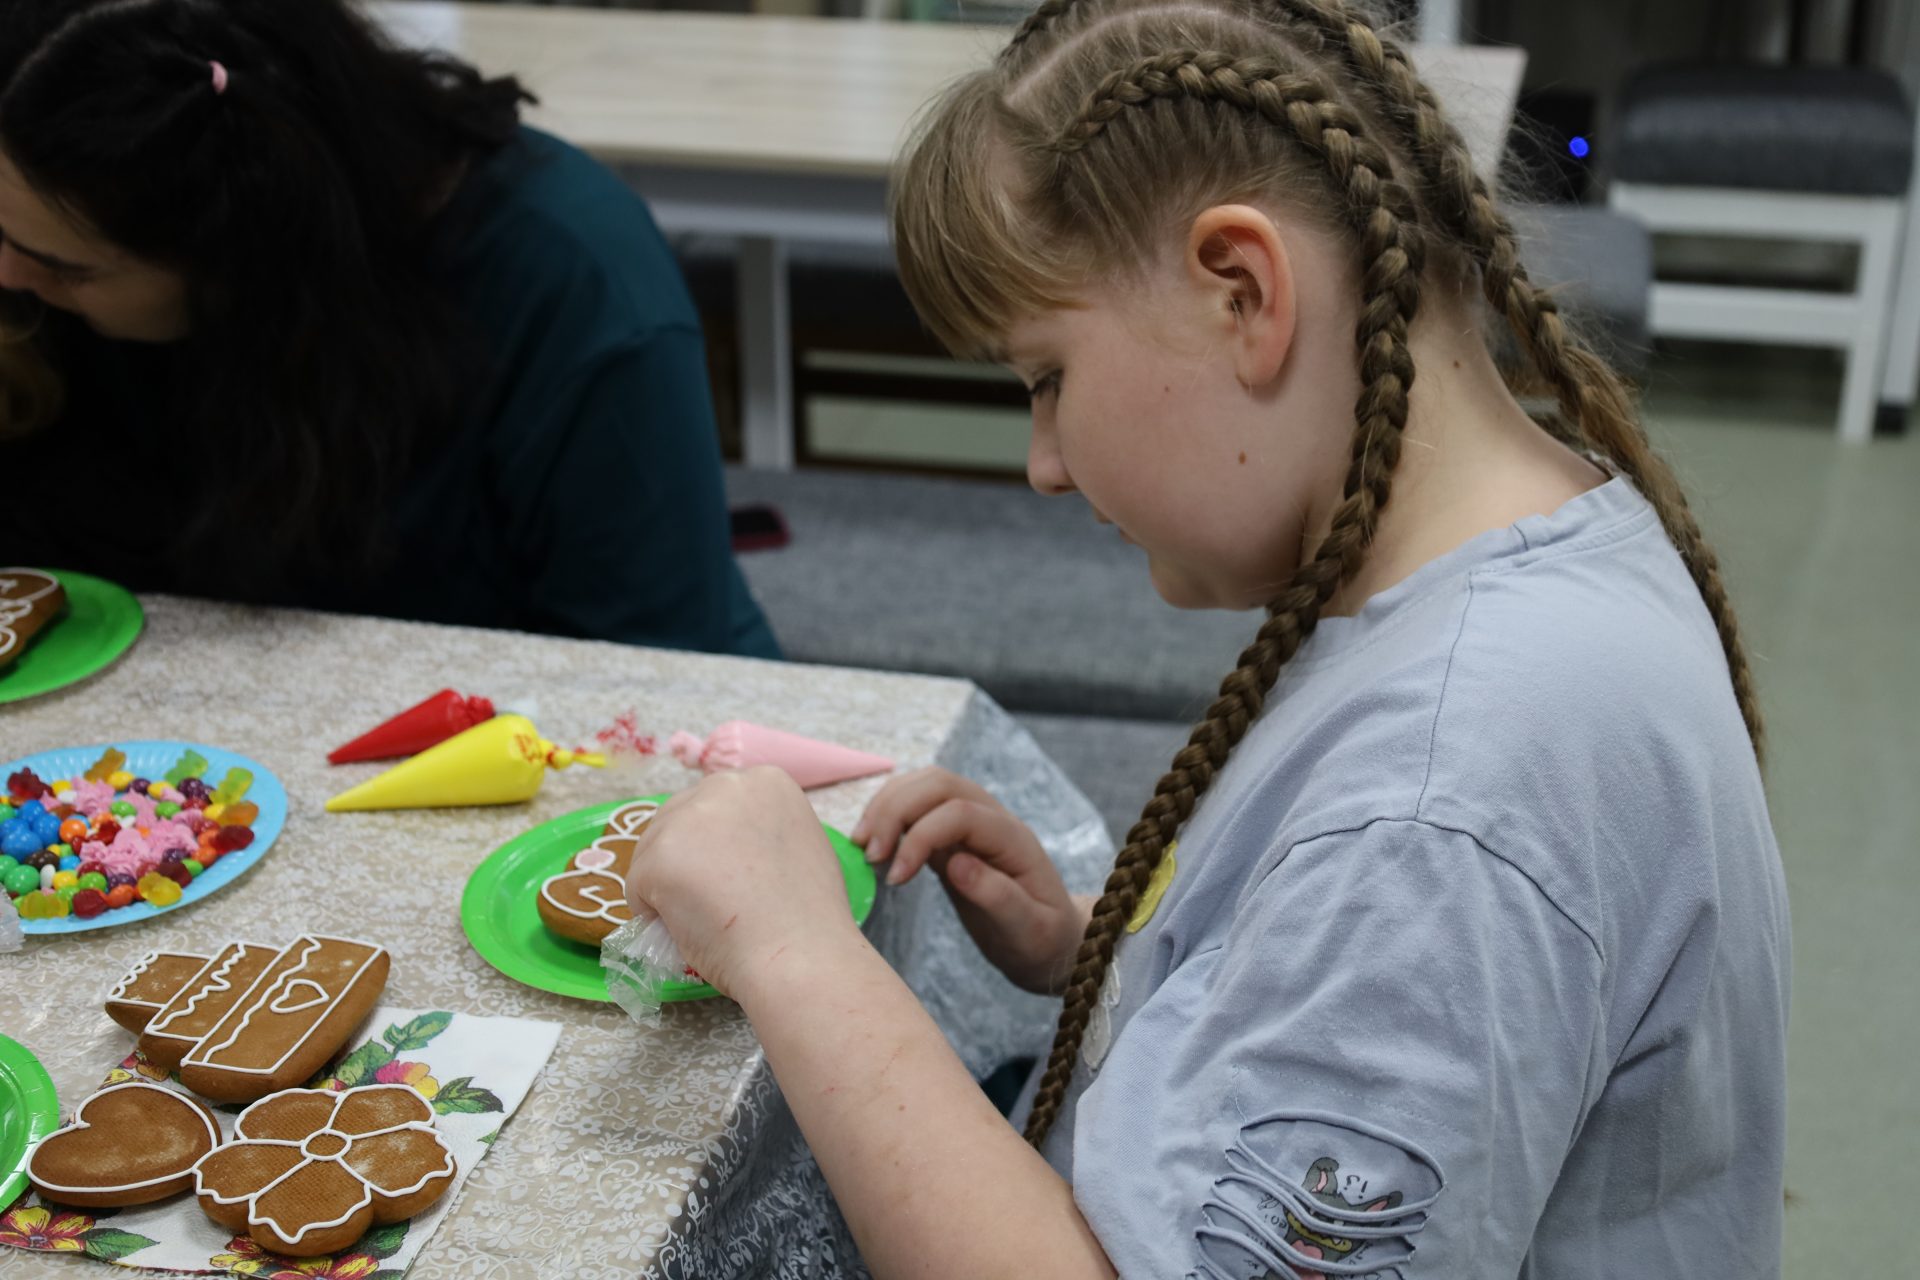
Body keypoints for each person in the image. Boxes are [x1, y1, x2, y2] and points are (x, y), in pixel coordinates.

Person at [617, 0, 1792, 1276]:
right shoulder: (1534, 564)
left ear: (1243, 289)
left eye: (1047, 378)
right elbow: (1347, 981)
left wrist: (791, 949)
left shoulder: (1443, 801)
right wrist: (1107, 949)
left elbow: (1397, 896)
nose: (1045, 463)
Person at [0, 0, 778, 659]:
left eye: (65, 269)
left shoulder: (572, 283)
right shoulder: (55, 192)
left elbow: (646, 672)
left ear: (235, 259)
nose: (9, 274)